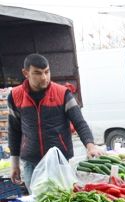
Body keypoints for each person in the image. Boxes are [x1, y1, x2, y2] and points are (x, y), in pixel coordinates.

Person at [8, 53, 101, 190]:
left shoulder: (63, 94)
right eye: (38, 73)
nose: (44, 77)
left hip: (59, 161)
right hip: (31, 163)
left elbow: (79, 122)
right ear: (26, 73)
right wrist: (14, 163)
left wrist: (90, 145)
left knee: (62, 199)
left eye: (47, 72)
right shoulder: (15, 95)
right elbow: (14, 130)